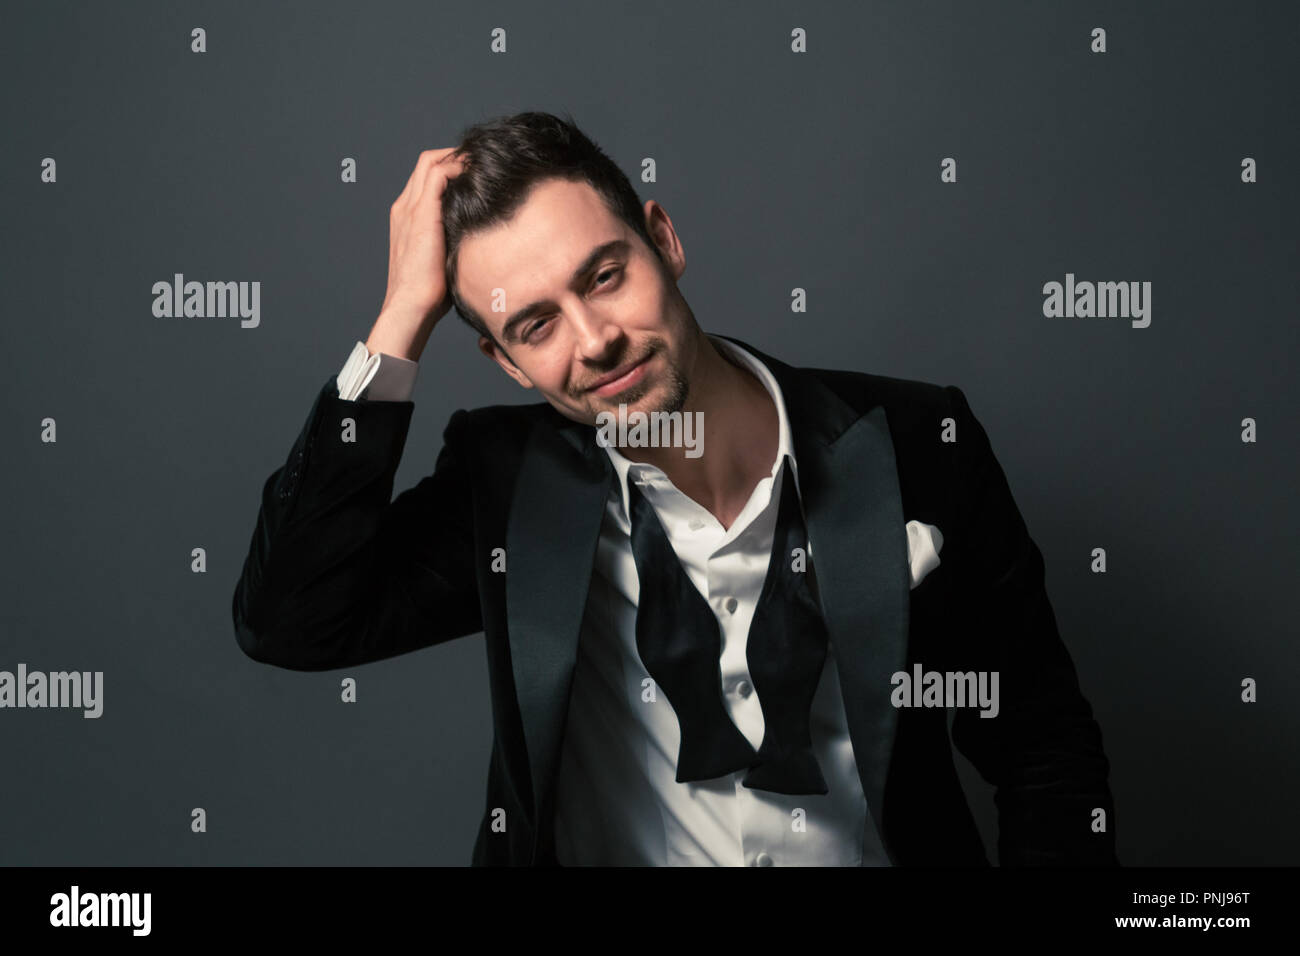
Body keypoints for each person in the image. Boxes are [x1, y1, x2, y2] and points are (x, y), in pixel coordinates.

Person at [231, 110, 1118, 867]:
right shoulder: (506, 487)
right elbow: (291, 619)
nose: (594, 341)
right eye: (535, 325)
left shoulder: (919, 441)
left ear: (664, 239)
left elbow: (1040, 748)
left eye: (605, 276)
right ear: (502, 360)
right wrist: (399, 322)